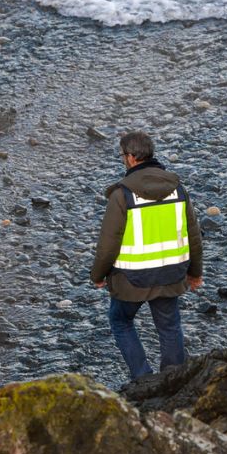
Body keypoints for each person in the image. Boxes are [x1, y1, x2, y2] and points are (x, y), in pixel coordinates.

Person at [91, 131, 203, 380]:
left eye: (122, 155)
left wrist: (98, 276)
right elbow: (193, 235)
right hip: (171, 275)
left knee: (120, 321)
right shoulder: (178, 190)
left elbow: (108, 244)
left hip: (132, 280)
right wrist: (195, 273)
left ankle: (142, 378)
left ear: (131, 157)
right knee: (170, 327)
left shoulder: (122, 195)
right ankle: (173, 380)